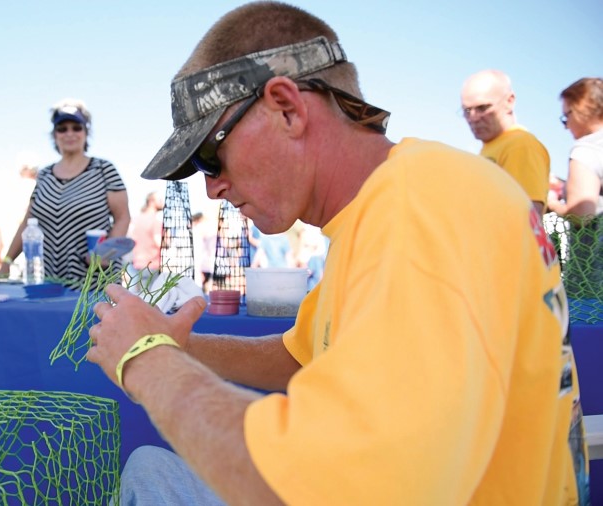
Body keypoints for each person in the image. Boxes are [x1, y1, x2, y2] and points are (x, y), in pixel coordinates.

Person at [85, 3, 588, 504]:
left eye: (210, 155)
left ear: (287, 106)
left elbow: (335, 482)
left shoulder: (418, 202)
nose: (213, 188)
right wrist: (179, 346)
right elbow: (301, 355)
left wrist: (146, 361)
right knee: (150, 470)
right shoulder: (390, 203)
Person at [0, 99, 130, 285]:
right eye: (62, 128)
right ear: (54, 135)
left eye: (76, 127)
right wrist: (7, 261)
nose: (69, 133)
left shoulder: (103, 169)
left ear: (86, 133)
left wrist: (106, 253)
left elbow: (123, 217)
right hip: (49, 279)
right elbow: (28, 222)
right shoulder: (44, 175)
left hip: (94, 280)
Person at [461, 69, 551, 215]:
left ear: (509, 101)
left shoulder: (520, 145)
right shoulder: (492, 147)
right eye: (467, 110)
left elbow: (528, 218)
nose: (473, 118)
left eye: (482, 108)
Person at [547, 77, 603, 299]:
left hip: (592, 285)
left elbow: (582, 214)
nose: (566, 125)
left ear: (582, 110)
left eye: (566, 116)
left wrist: (552, 204)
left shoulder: (586, 149)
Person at [129, 191, 164, 272]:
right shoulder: (155, 222)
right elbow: (159, 243)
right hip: (151, 266)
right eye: (159, 200)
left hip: (136, 265)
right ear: (151, 202)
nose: (162, 202)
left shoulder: (136, 219)